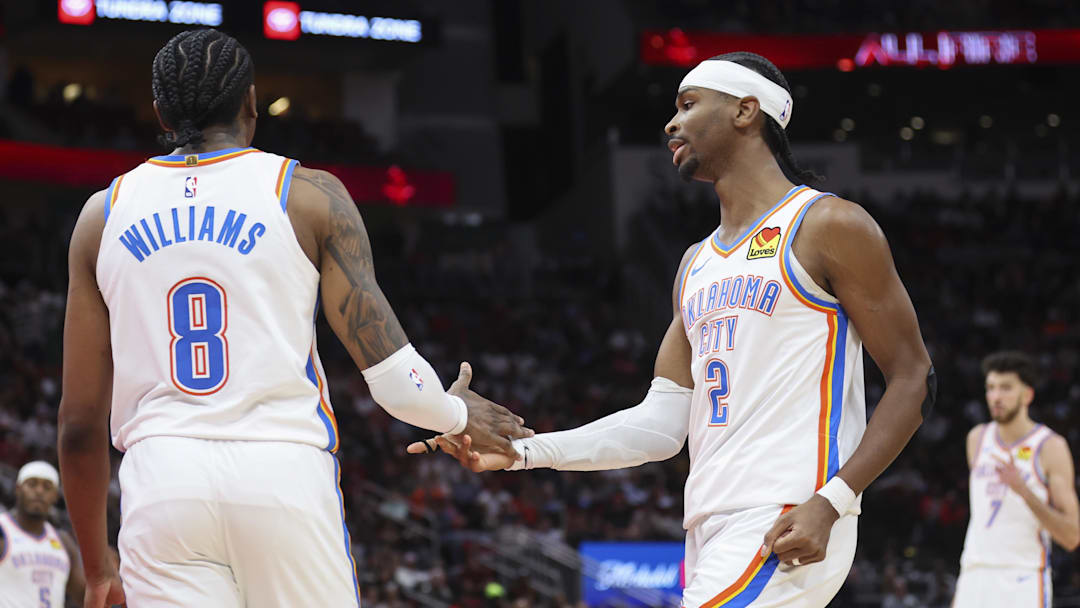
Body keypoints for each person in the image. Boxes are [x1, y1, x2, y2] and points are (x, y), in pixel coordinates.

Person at [411, 52, 933, 607]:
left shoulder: (827, 224)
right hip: (707, 522)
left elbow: (912, 376)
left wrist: (834, 500)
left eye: (688, 105)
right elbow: (661, 425)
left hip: (787, 513)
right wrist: (524, 451)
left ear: (746, 111)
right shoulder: (695, 264)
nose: (671, 123)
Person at [57, 28, 530, 608]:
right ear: (252, 103)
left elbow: (78, 425)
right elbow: (393, 380)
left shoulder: (101, 216)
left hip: (162, 482)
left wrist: (97, 568)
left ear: (159, 112)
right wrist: (455, 413)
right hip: (281, 472)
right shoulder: (308, 194)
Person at [953, 351, 1079, 608]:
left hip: (1022, 577)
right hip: (974, 574)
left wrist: (1024, 491)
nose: (996, 396)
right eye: (991, 388)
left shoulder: (1050, 447)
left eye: (1006, 388)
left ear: (1027, 395)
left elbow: (1071, 535)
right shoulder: (977, 439)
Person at [0, 461, 85, 608]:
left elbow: (85, 597)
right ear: (18, 489)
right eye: (32, 484)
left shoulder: (63, 541)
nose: (39, 491)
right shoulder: (3, 529)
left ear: (55, 495)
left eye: (47, 487)